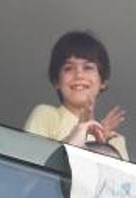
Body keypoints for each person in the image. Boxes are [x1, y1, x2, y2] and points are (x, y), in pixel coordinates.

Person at [24, 31, 129, 160]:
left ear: (103, 81)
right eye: (68, 68)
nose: (79, 75)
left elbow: (120, 179)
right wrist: (77, 133)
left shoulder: (114, 140)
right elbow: (30, 166)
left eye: (88, 67)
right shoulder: (47, 114)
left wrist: (104, 146)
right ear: (56, 81)